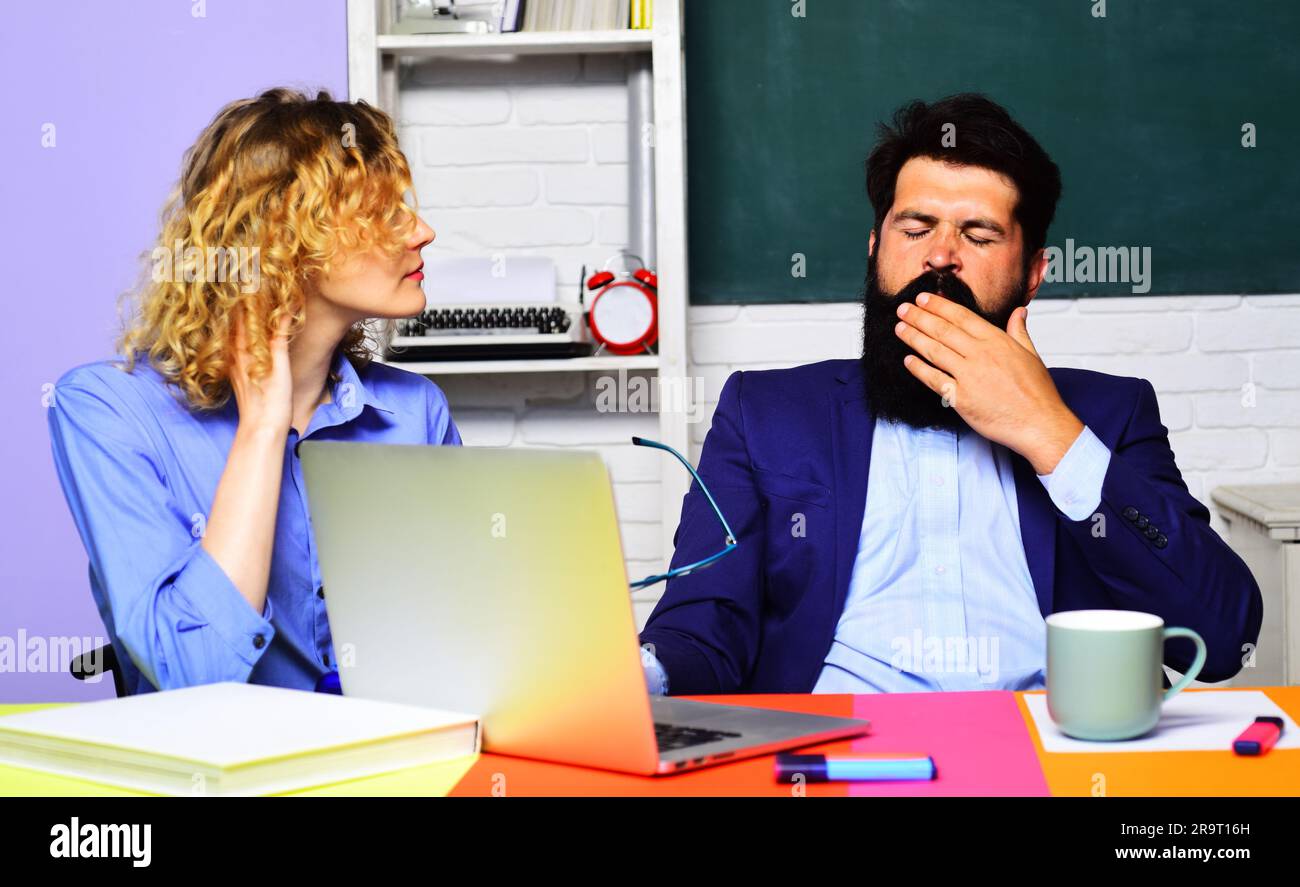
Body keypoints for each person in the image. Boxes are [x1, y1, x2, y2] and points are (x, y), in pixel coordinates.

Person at [639, 93, 1262, 695]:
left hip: (1049, 756)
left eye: (980, 235)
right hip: (834, 751)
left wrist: (1049, 433)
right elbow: (703, 627)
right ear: (875, 247)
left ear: (1035, 273)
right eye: (915, 228)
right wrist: (636, 678)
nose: (941, 255)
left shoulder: (1109, 414)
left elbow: (1220, 637)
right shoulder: (764, 412)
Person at [48, 88, 459, 695]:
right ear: (286, 240)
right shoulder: (105, 411)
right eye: (383, 214)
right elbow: (194, 677)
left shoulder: (414, 411)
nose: (423, 232)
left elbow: (464, 645)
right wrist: (264, 426)